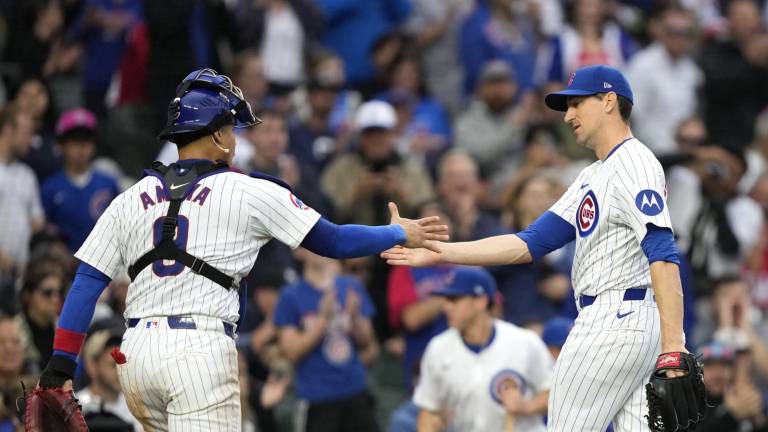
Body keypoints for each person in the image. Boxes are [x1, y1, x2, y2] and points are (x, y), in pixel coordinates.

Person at [34, 68, 448, 431]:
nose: (234, 138)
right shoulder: (248, 189)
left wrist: (60, 366)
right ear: (216, 132)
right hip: (198, 350)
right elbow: (333, 240)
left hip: (136, 354)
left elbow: (87, 281)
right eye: (231, 128)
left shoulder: (129, 197)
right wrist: (395, 233)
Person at [383, 64, 696, 431]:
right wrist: (439, 252)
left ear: (609, 101)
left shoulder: (634, 164)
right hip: (631, 324)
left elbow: (662, 251)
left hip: (614, 322)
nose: (568, 116)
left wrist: (675, 345)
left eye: (577, 104)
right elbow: (528, 243)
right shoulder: (594, 174)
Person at [413, 266, 552, 432]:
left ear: (481, 301)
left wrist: (525, 406)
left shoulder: (524, 342)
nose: (446, 307)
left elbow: (556, 394)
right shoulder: (438, 348)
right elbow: (429, 409)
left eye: (454, 299)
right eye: (445, 300)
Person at [274, 250, 380, 432]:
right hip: (317, 398)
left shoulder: (351, 285)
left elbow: (368, 343)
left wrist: (354, 317)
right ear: (299, 251)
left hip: (356, 392)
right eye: (312, 242)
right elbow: (291, 352)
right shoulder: (290, 295)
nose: (319, 248)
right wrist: (323, 319)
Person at [41, 108, 120, 252]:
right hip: (64, 264)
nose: (81, 146)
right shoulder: (50, 188)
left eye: (86, 140)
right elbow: (45, 231)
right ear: (61, 145)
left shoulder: (109, 184)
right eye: (74, 140)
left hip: (104, 262)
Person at [77, 328, 143, 431]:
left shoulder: (138, 405)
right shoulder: (76, 408)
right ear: (91, 366)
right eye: (113, 365)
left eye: (122, 364)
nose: (120, 371)